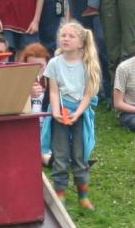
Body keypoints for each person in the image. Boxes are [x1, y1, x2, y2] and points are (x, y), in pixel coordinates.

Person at [42, 21, 100, 209]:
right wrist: (56, 112)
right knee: (60, 156)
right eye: (63, 35)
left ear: (81, 43)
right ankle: (60, 196)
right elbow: (53, 91)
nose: (65, 39)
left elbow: (88, 94)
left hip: (80, 114)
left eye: (71, 36)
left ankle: (83, 196)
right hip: (60, 113)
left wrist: (77, 113)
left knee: (79, 156)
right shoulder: (54, 63)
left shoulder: (88, 64)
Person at [18, 42, 53, 164]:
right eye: (32, 66)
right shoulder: (18, 80)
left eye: (41, 66)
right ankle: (46, 159)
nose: (37, 69)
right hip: (25, 127)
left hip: (46, 127)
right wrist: (27, 94)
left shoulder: (52, 81)